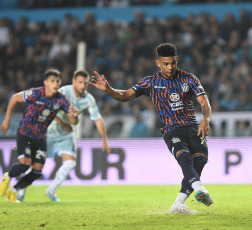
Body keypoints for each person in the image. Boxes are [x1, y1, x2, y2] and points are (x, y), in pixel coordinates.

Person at [90, 43, 213, 214]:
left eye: (173, 63)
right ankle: (200, 189)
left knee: (200, 161)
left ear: (176, 61)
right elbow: (125, 96)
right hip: (172, 129)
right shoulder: (151, 82)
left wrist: (205, 119)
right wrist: (108, 89)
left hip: (193, 127)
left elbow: (203, 102)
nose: (170, 67)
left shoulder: (189, 78)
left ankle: (179, 204)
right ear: (158, 63)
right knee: (185, 159)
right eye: (166, 64)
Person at [17, 70, 111, 202]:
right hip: (49, 131)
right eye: (79, 82)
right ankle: (21, 187)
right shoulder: (63, 92)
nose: (82, 86)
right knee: (36, 164)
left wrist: (104, 140)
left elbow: (98, 119)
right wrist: (62, 122)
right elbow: (48, 108)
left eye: (85, 83)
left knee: (70, 163)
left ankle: (51, 190)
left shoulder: (89, 99)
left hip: (66, 134)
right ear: (73, 82)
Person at [0, 69, 79, 203]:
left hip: (41, 137)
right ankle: (8, 176)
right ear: (45, 83)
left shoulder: (61, 99)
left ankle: (13, 190)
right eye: (52, 81)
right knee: (24, 165)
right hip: (25, 133)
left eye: (57, 81)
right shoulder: (35, 93)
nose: (55, 84)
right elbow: (14, 98)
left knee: (37, 171)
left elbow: (73, 121)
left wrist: (75, 116)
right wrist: (7, 120)